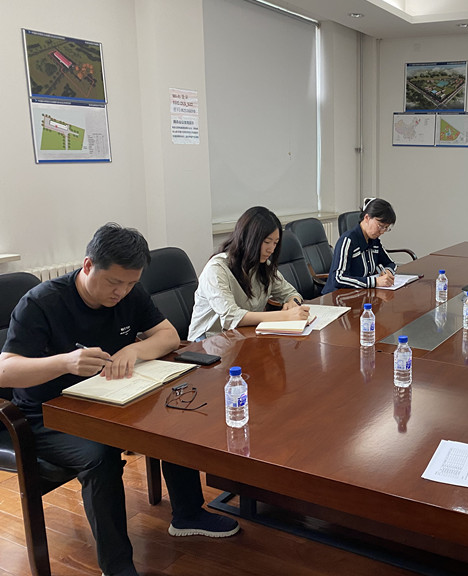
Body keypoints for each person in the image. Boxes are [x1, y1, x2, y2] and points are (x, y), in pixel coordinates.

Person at [0, 224, 239, 576]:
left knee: (174, 417)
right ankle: (116, 567)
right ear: (87, 265)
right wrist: (65, 363)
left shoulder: (129, 291)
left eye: (130, 284)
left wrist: (134, 350)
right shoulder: (41, 303)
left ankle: (187, 513)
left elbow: (168, 335)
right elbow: (5, 370)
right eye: (114, 283)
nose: (121, 292)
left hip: (108, 397)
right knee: (101, 456)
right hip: (49, 412)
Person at [188, 206, 309, 341]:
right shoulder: (217, 269)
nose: (271, 249)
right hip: (208, 341)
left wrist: (293, 302)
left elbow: (291, 293)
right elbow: (231, 316)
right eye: (267, 242)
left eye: (275, 243)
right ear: (248, 238)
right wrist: (285, 316)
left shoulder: (263, 266)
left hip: (243, 336)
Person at [322, 198, 397, 294]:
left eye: (386, 228)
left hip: (360, 294)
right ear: (367, 218)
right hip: (337, 296)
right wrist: (374, 282)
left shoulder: (374, 240)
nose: (382, 232)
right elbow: (338, 278)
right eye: (380, 226)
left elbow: (390, 263)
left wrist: (388, 271)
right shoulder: (348, 240)